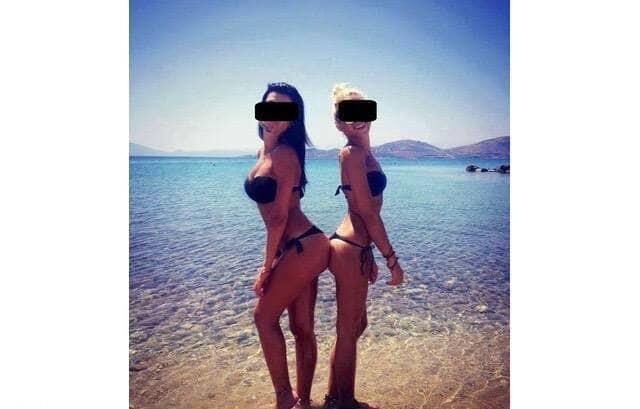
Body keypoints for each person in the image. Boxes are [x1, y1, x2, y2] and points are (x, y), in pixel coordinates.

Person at [245, 82, 330, 409]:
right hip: (296, 246)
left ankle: (285, 399)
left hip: (304, 245)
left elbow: (279, 217)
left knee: (263, 318)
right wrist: (275, 255)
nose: (274, 115)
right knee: (301, 327)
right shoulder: (263, 153)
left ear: (292, 119)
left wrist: (266, 267)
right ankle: (303, 403)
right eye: (270, 107)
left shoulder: (285, 155)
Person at [323, 83, 405, 409]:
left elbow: (365, 212)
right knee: (348, 331)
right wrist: (391, 259)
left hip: (358, 246)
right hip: (349, 246)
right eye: (348, 113)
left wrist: (370, 253)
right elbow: (368, 213)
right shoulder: (351, 154)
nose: (358, 119)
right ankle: (346, 403)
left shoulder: (365, 153)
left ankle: (334, 397)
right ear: (339, 123)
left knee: (356, 326)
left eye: (362, 109)